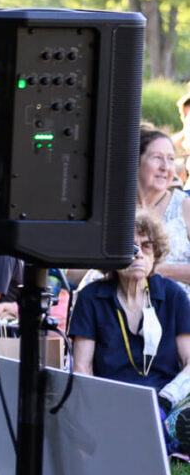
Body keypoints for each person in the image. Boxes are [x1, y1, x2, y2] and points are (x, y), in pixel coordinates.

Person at [69, 210, 190, 402]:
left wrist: (167, 400)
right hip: (108, 401)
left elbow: (188, 362)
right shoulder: (91, 297)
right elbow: (82, 368)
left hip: (164, 402)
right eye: (130, 247)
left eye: (147, 246)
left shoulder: (173, 296)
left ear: (155, 254)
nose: (139, 254)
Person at [133, 125, 190, 302]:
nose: (166, 167)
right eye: (157, 158)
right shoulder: (115, 206)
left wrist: (151, 270)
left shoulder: (185, 207)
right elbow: (75, 272)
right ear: (136, 160)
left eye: (171, 159)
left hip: (178, 312)